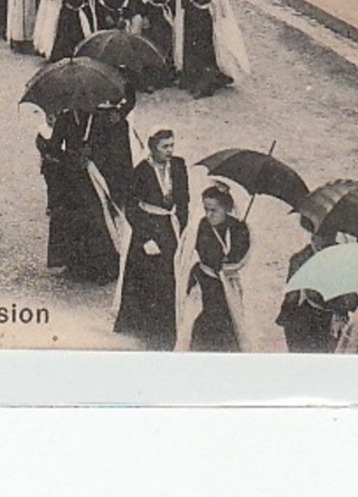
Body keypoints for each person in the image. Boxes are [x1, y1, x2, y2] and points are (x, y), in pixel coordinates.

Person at [115, 128, 189, 350]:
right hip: (148, 230)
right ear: (152, 147)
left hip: (170, 228)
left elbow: (184, 199)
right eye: (164, 146)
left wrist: (184, 229)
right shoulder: (140, 171)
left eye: (172, 145)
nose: (170, 151)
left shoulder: (178, 165)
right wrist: (145, 238)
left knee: (170, 274)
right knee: (147, 277)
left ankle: (167, 326)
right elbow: (132, 208)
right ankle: (146, 326)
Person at [36, 110, 121, 283]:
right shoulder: (65, 119)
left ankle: (100, 266)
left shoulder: (99, 119)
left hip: (92, 173)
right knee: (72, 216)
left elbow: (110, 147)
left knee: (95, 215)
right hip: (71, 176)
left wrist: (92, 153)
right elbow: (55, 146)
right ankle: (77, 265)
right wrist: (69, 156)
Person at [185, 184, 252, 352]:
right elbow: (205, 254)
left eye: (213, 210)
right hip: (206, 279)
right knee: (206, 318)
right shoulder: (203, 226)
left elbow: (241, 257)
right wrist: (223, 260)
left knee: (228, 320)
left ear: (226, 208)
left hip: (227, 283)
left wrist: (236, 248)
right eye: (206, 209)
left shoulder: (239, 228)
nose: (208, 214)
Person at [276, 221, 336, 353]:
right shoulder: (299, 259)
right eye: (316, 237)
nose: (318, 242)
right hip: (306, 316)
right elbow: (292, 294)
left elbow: (349, 299)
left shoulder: (341, 258)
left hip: (328, 317)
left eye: (326, 237)